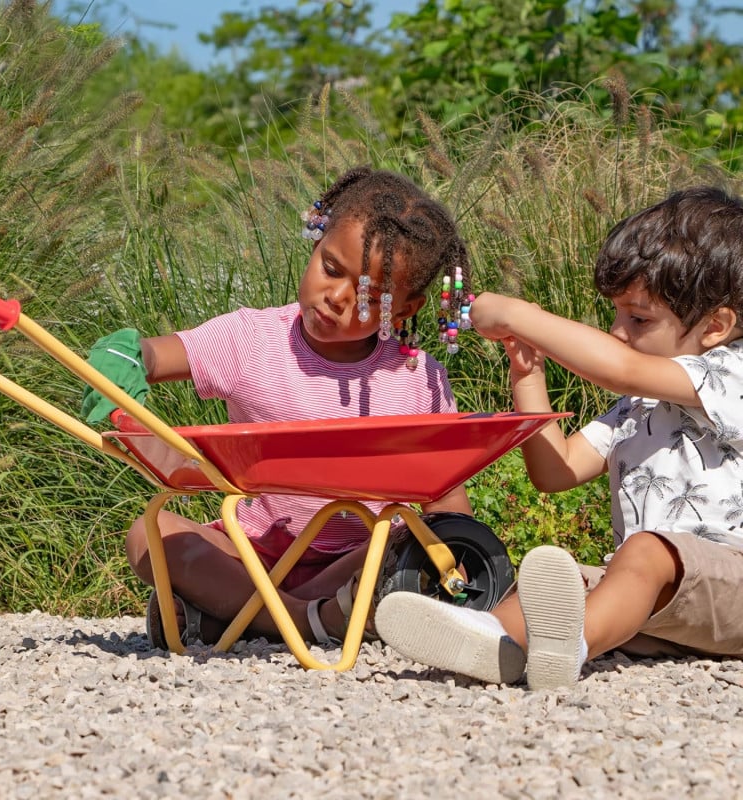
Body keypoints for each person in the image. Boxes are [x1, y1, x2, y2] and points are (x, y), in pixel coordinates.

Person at [81, 166, 475, 649]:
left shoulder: (419, 380)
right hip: (254, 556)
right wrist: (126, 358)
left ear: (404, 311)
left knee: (407, 544)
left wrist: (466, 554)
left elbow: (446, 504)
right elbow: (156, 355)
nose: (335, 297)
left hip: (357, 559)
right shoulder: (252, 340)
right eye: (330, 268)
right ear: (315, 245)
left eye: (368, 297)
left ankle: (240, 618)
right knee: (151, 531)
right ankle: (311, 621)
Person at [376, 185, 743, 690]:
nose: (617, 331)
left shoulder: (729, 375)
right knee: (556, 587)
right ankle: (493, 641)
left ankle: (568, 646)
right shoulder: (639, 408)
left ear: (716, 326)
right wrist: (528, 376)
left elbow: (621, 369)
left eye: (638, 318)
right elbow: (557, 471)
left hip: (732, 582)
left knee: (645, 554)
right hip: (659, 607)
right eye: (615, 314)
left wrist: (520, 315)